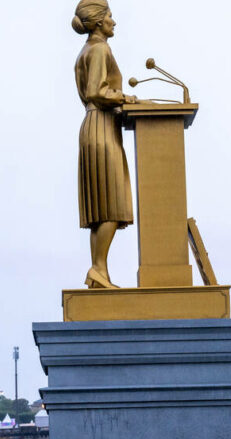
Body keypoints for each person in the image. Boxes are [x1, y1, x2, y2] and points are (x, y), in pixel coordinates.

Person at [72, 0, 141, 289]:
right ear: (99, 21)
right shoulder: (100, 49)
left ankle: (99, 271)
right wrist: (125, 98)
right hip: (101, 125)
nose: (115, 21)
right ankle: (98, 268)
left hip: (95, 125)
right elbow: (96, 90)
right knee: (110, 203)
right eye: (110, 16)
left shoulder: (85, 51)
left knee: (102, 207)